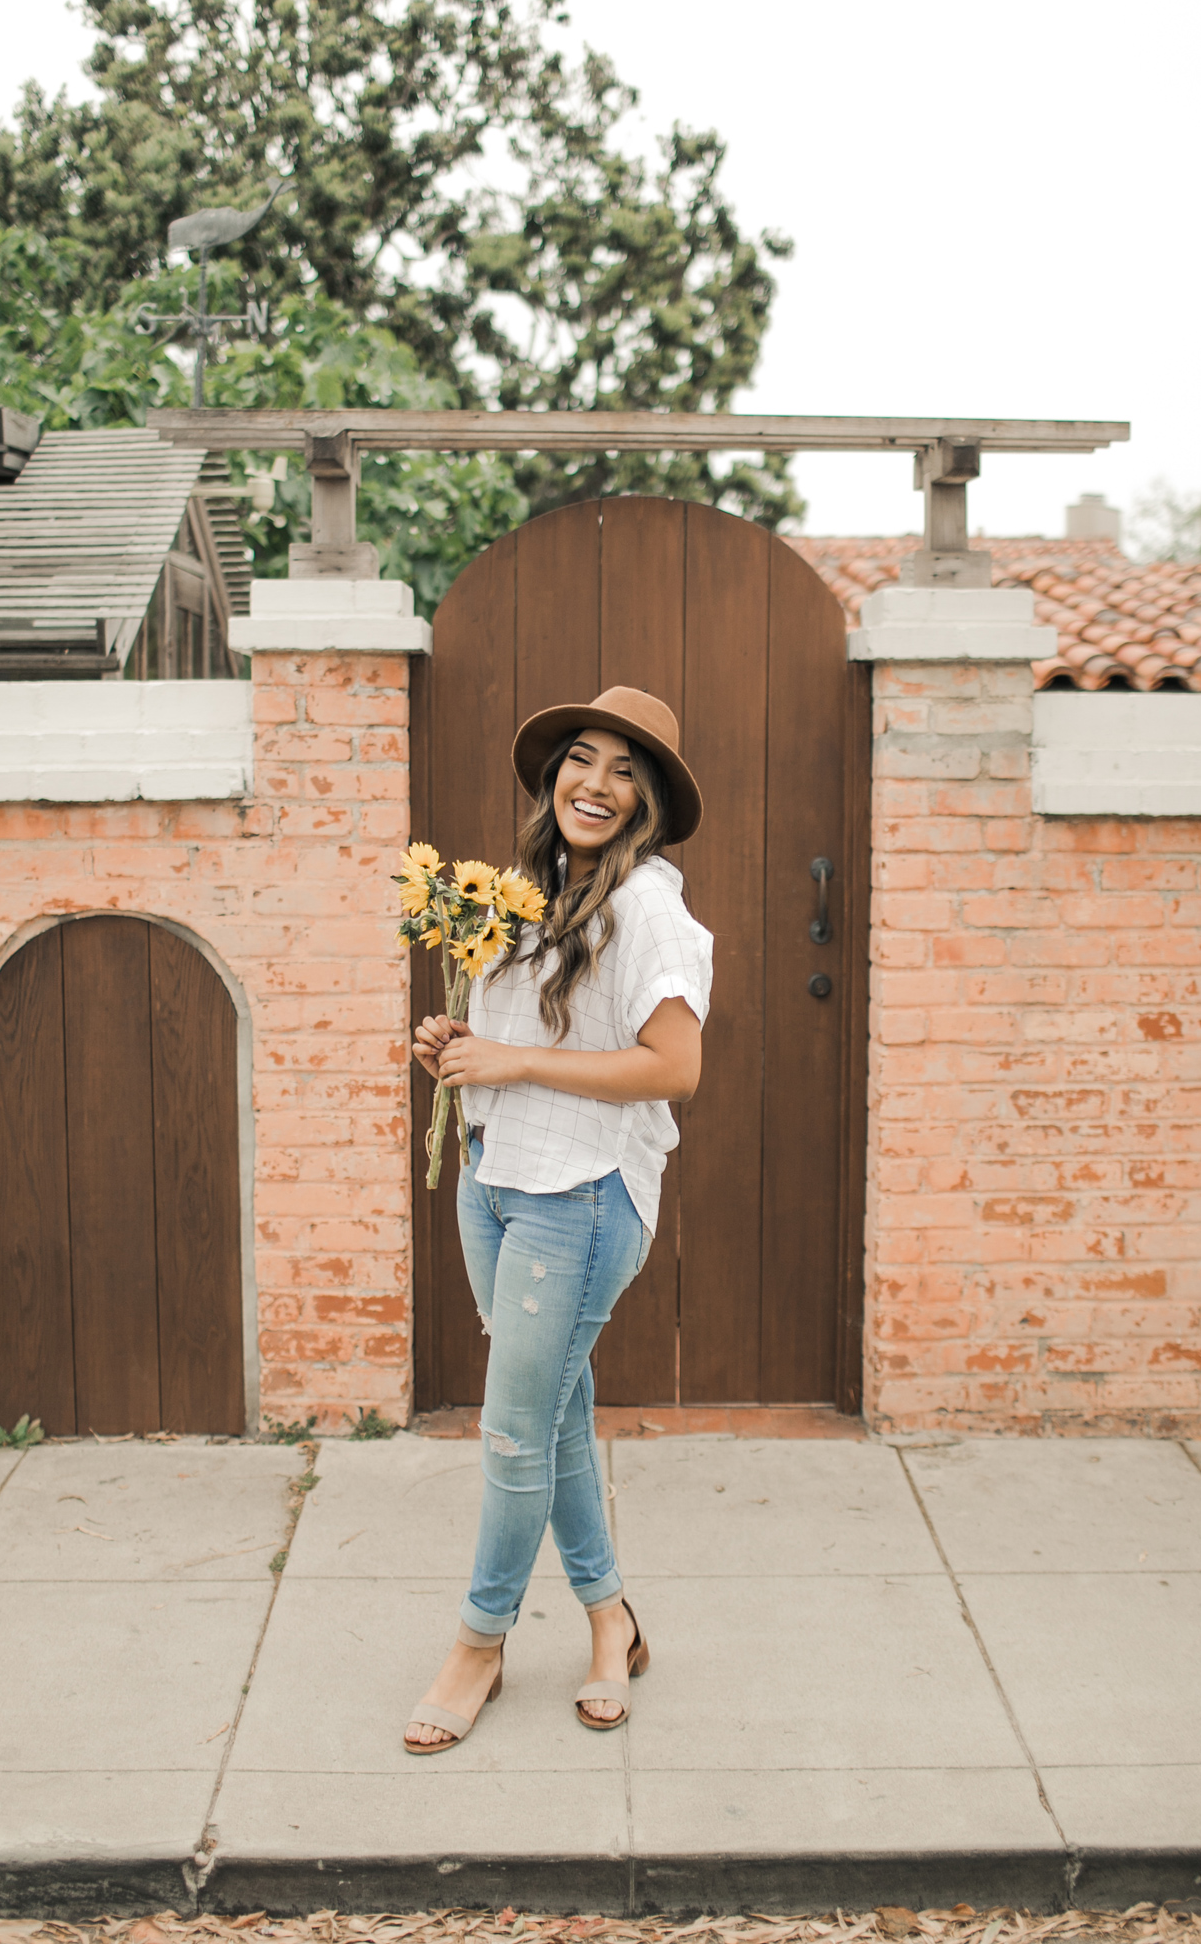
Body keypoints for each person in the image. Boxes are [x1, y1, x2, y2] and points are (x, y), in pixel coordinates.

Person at [404, 687, 713, 1753]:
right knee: (557, 1417)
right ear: (553, 779)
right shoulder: (532, 892)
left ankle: (479, 1646)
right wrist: (456, 1041)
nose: (596, 782)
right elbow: (510, 1038)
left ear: (650, 802)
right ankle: (611, 1621)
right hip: (493, 1181)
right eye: (581, 760)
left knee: (509, 1432)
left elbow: (676, 1068)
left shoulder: (648, 911)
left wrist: (518, 1059)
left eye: (626, 770)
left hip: (577, 1201)